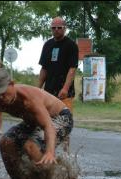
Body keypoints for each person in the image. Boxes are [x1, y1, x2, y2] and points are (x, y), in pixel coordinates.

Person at [38, 16, 79, 152]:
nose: (56, 30)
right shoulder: (47, 45)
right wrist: (37, 89)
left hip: (64, 93)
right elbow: (44, 69)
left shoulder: (71, 45)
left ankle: (66, 153)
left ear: (64, 28)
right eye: (53, 28)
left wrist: (65, 88)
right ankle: (49, 151)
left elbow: (72, 69)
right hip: (48, 92)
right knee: (47, 122)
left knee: (63, 123)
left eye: (59, 28)